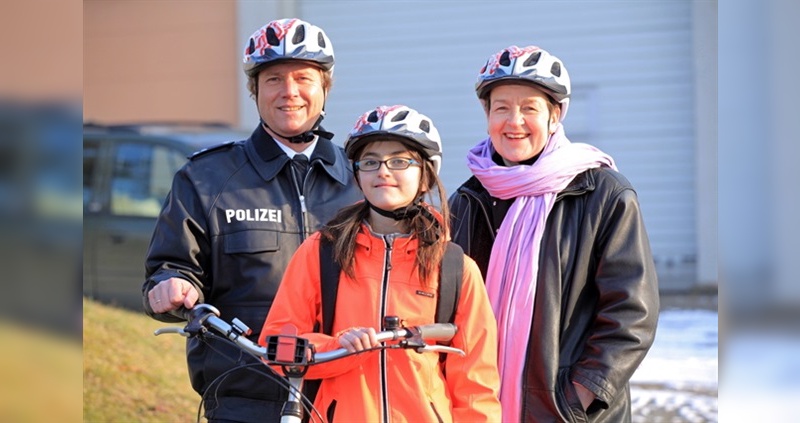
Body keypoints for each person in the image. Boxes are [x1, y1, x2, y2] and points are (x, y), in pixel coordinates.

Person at [141, 18, 362, 422]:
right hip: (244, 397)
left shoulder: (363, 177)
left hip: (348, 395)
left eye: (303, 78)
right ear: (255, 90)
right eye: (274, 79)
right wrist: (169, 286)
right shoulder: (206, 178)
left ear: (324, 88)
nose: (289, 92)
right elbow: (170, 269)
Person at [448, 45, 660, 422]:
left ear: (555, 115)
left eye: (530, 107)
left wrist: (580, 396)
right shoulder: (466, 201)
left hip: (568, 413)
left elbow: (631, 312)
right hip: (480, 407)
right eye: (502, 108)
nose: (514, 121)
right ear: (487, 115)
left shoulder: (603, 194)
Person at [259, 105, 502, 422]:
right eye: (370, 162)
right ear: (358, 175)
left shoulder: (455, 267)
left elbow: (476, 385)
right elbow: (276, 347)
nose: (383, 171)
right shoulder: (321, 252)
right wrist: (339, 347)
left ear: (425, 174)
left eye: (399, 161)